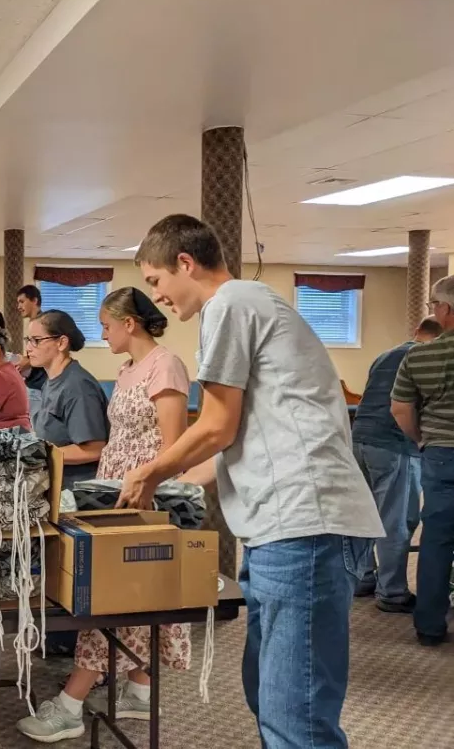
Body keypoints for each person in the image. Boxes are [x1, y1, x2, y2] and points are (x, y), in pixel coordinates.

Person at [117, 214, 383, 748]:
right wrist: (155, 493)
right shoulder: (250, 305)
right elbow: (232, 447)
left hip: (302, 528)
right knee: (269, 696)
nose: (158, 297)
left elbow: (216, 426)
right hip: (279, 531)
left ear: (185, 264)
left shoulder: (232, 304)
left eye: (155, 280)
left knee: (296, 715)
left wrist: (149, 471)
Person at [18, 287, 192, 743]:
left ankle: (72, 703)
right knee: (128, 598)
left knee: (116, 597)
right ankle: (138, 689)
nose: (101, 333)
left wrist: (152, 495)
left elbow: (174, 445)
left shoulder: (165, 365)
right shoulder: (128, 368)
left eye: (107, 325)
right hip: (114, 489)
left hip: (144, 495)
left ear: (129, 323)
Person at [352, 316, 442, 612]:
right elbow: (406, 407)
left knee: (364, 517)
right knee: (396, 521)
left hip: (358, 440)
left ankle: (362, 578)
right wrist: (419, 441)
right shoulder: (425, 357)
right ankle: (392, 593)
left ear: (417, 331)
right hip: (394, 446)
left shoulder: (385, 355)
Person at [391, 276, 454, 646]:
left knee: (437, 540)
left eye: (433, 306)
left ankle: (430, 626)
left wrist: (421, 439)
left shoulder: (419, 354)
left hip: (441, 455)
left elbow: (400, 409)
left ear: (445, 309)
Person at [26, 310, 109, 490]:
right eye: (28, 340)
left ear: (61, 343)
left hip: (76, 491)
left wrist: (38, 452)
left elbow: (94, 449)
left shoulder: (77, 386)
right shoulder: (52, 380)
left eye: (36, 340)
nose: (29, 348)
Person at [16, 285, 48, 404]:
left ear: (34, 300)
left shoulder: (44, 322)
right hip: (34, 382)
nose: (19, 306)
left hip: (41, 384)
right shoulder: (33, 323)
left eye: (22, 302)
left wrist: (28, 362)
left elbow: (47, 352)